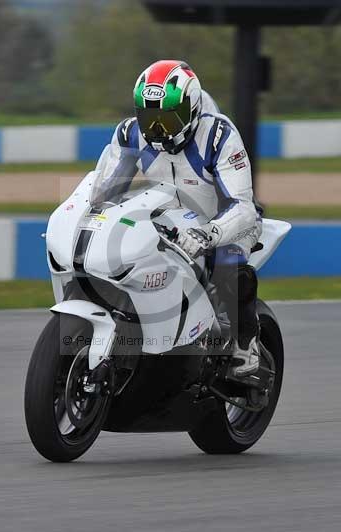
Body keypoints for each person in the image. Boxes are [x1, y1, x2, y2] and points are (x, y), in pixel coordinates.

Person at [94, 59, 262, 377]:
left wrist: (208, 234)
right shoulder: (130, 133)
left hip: (226, 221)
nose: (157, 129)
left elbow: (243, 207)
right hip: (170, 217)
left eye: (167, 119)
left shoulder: (219, 136)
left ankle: (246, 343)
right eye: (150, 118)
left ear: (191, 108)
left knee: (229, 267)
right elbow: (105, 190)